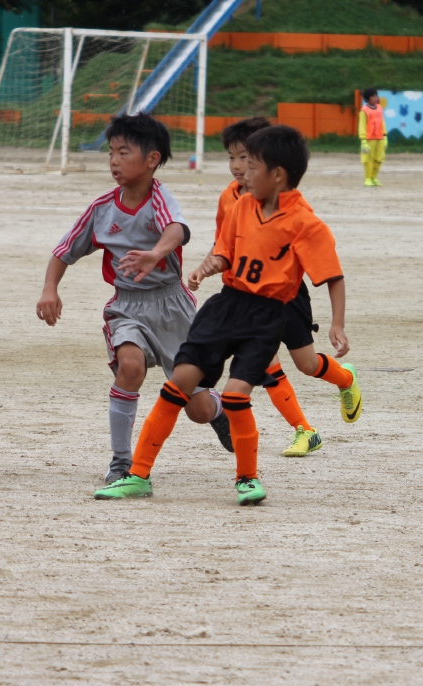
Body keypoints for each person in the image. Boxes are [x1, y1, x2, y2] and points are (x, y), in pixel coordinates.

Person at [96, 125, 360, 505]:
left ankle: (247, 479)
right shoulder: (240, 205)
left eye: (251, 166)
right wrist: (210, 265)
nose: (242, 173)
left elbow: (333, 276)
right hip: (225, 306)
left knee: (237, 395)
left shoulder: (307, 225)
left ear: (277, 174)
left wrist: (337, 324)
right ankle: (137, 476)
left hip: (266, 317)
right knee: (177, 386)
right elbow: (226, 251)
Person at [37, 113, 232, 485]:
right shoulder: (101, 209)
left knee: (198, 409)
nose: (114, 161)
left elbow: (177, 229)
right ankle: (121, 462)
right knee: (130, 367)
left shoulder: (160, 199)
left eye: (123, 152)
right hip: (127, 306)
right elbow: (64, 251)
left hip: (173, 307)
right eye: (111, 152)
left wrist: (156, 253)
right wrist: (50, 289)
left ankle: (219, 411)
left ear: (152, 159)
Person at [215, 117, 347, 457]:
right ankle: (305, 430)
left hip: (286, 295)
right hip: (249, 299)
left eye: (246, 159)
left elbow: (313, 250)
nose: (238, 166)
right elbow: (224, 245)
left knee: (307, 364)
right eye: (232, 158)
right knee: (265, 362)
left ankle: (345, 379)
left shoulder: (292, 206)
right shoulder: (229, 198)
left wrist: (337, 322)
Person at [358, 88, 387, 187]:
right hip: (369, 139)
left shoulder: (379, 108)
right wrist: (363, 140)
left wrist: (385, 135)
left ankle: (374, 177)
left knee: (379, 159)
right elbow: (362, 125)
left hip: (380, 138)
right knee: (367, 159)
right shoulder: (364, 110)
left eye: (376, 96)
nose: (376, 98)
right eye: (373, 96)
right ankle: (367, 178)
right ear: (367, 98)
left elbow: (382, 122)